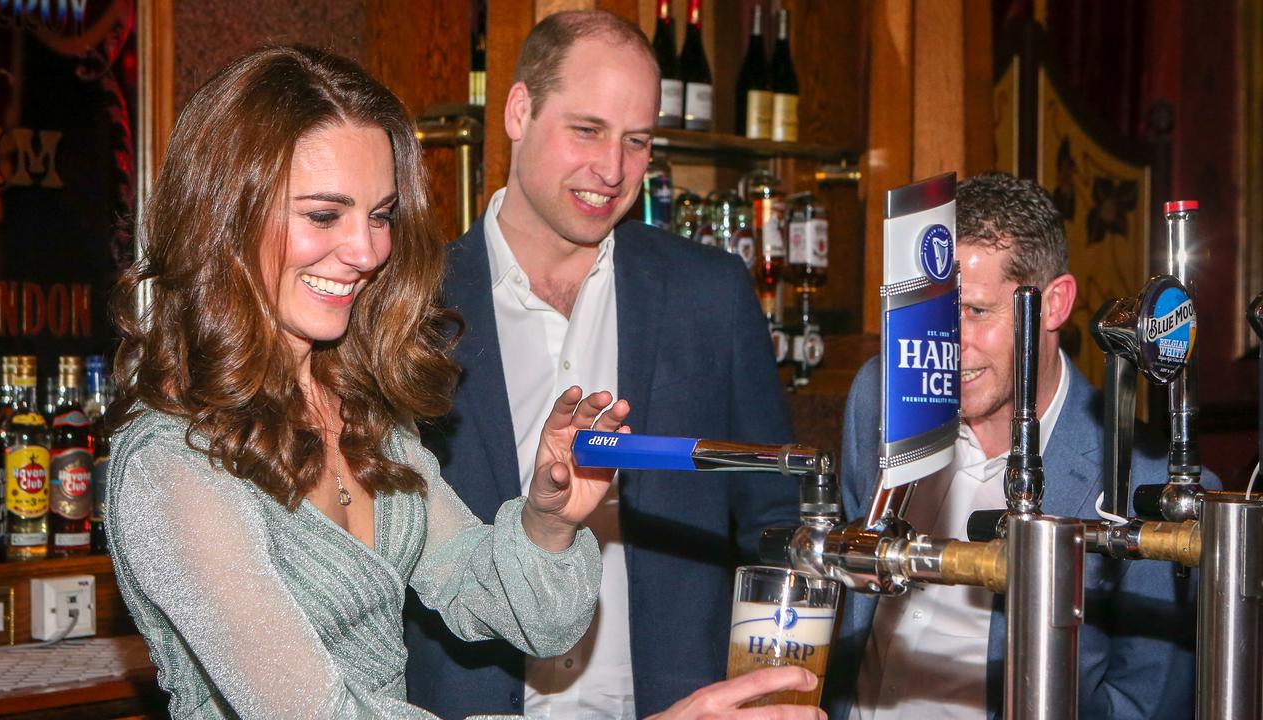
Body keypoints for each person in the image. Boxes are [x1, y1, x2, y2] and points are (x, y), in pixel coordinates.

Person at [105, 44, 822, 720]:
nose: (365, 251)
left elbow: (506, 605)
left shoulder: (362, 415)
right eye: (325, 214)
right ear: (225, 217)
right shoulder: (169, 466)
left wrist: (548, 518)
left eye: (381, 216)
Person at [404, 10, 798, 720]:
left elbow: (774, 521)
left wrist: (767, 680)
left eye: (637, 141)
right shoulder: (409, 307)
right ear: (520, 110)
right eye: (586, 131)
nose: (612, 170)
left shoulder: (708, 294)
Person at [830, 172, 1213, 719]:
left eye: (977, 312)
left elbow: (1144, 707)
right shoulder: (879, 394)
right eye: (936, 310)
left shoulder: (1145, 482)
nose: (949, 341)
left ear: (1055, 305)